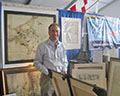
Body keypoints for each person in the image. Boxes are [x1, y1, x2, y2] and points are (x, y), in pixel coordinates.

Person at [33, 23, 68, 96]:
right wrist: (48, 72)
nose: (55, 33)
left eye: (57, 31)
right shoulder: (42, 46)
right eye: (53, 31)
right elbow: (36, 62)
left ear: (59, 33)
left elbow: (64, 61)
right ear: (49, 32)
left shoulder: (62, 46)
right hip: (47, 79)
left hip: (60, 78)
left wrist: (64, 69)